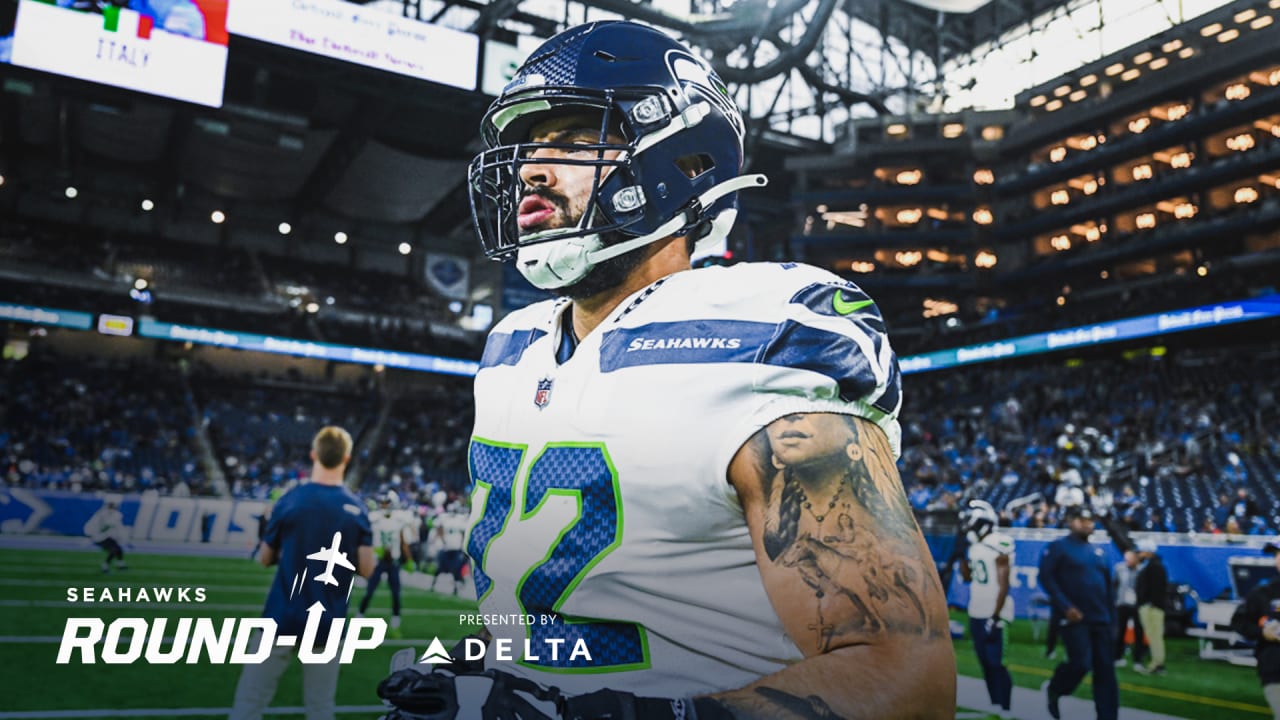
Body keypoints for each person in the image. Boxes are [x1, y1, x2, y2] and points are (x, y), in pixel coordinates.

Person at [378, 19, 954, 720]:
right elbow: (553, 609)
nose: (529, 166)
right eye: (526, 146)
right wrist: (463, 667)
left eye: (569, 138)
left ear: (682, 159)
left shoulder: (762, 332)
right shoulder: (511, 347)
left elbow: (906, 679)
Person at [230, 426, 375, 720]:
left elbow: (264, 558)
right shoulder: (357, 510)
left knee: (248, 704)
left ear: (313, 455)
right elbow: (367, 569)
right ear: (346, 459)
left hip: (282, 615)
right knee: (320, 709)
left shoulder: (289, 500)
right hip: (327, 620)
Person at [1039, 504, 1118, 720]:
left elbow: (1109, 588)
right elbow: (1046, 578)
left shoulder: (1099, 551)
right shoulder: (1058, 547)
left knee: (1106, 672)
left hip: (1101, 618)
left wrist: (1114, 622)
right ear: (1069, 521)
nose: (1088, 523)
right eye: (1082, 519)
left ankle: (1108, 716)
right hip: (1075, 618)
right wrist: (1066, 607)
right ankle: (1056, 688)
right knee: (1081, 663)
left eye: (1090, 519)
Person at [960, 500, 1015, 714]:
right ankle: (994, 704)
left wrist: (995, 614)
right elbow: (967, 578)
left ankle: (1005, 707)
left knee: (996, 662)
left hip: (995, 612)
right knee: (984, 662)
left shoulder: (1000, 543)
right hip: (976, 610)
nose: (968, 528)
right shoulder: (974, 547)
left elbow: (1004, 584)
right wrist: (961, 558)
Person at [1231, 542, 1280, 720]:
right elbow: (1239, 621)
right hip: (1275, 668)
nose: (1278, 559)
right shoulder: (1263, 593)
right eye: (1276, 554)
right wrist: (1262, 633)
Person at [357, 490, 413, 638]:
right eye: (382, 502)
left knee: (395, 594)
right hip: (378, 561)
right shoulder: (374, 519)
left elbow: (402, 541)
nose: (384, 505)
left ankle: (395, 624)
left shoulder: (399, 520)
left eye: (386, 502)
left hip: (393, 562)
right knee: (369, 592)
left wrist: (408, 559)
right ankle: (358, 620)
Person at [1133, 538, 1168, 675]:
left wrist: (1151, 604)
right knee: (1154, 636)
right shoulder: (1153, 565)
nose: (1138, 554)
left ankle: (1157, 664)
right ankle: (1157, 662)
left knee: (1154, 636)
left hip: (1152, 607)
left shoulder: (1155, 567)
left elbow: (1156, 589)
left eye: (1140, 551)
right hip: (1152, 606)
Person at [428, 502, 469, 596]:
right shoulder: (444, 518)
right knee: (439, 569)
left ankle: (455, 589)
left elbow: (464, 533)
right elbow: (439, 528)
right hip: (446, 547)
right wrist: (442, 539)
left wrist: (463, 544)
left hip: (456, 548)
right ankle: (433, 585)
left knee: (455, 569)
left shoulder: (460, 519)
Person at [1113, 550, 1145, 667]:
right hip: (1122, 603)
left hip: (1137, 604)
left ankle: (1138, 660)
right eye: (1126, 559)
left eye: (1130, 559)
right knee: (1120, 631)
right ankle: (1117, 657)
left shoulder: (1142, 570)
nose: (1128, 562)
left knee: (1139, 632)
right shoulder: (1119, 568)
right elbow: (1115, 585)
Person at [83, 497, 127, 573]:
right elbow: (104, 525)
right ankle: (105, 566)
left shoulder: (114, 514)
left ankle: (120, 564)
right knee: (114, 550)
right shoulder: (102, 514)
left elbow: (115, 527)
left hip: (106, 536)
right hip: (99, 537)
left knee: (118, 550)